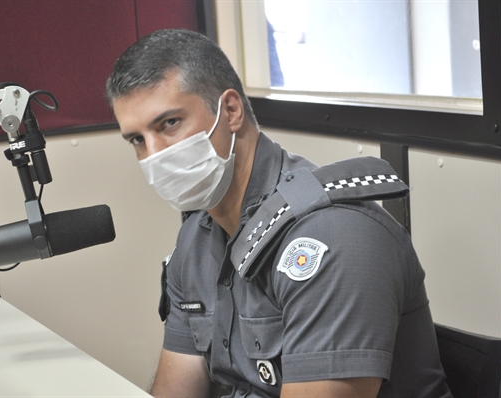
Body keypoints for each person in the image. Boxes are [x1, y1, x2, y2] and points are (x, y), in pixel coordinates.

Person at [106, 29, 451, 398]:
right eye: (137, 140)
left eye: (169, 124)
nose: (154, 154)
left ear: (232, 111)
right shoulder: (196, 239)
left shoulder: (334, 238)